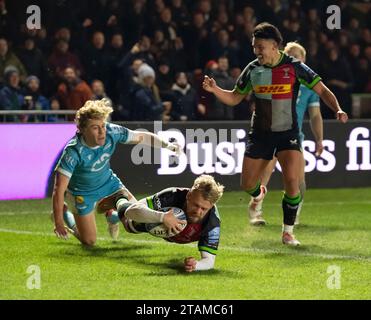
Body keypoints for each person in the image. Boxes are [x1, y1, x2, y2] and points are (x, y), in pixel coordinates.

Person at [203, 23, 348, 246]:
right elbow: (234, 98)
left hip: (287, 134)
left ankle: (288, 232)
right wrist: (215, 90)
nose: (256, 51)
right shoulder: (252, 69)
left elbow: (323, 90)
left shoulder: (295, 67)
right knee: (247, 184)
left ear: (274, 46)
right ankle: (259, 193)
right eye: (254, 47)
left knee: (292, 181)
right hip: (260, 134)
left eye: (260, 47)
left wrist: (337, 108)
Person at [52, 98, 181, 246]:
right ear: (82, 129)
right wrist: (58, 222)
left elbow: (142, 137)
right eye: (95, 127)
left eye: (103, 126)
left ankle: (113, 216)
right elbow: (58, 189)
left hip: (109, 184)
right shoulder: (73, 151)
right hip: (82, 193)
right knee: (89, 241)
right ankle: (66, 214)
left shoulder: (112, 131)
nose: (102, 132)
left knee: (137, 215)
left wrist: (169, 146)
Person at [248, 42, 324, 226]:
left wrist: (320, 139)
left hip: (293, 136)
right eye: (290, 54)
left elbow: (315, 115)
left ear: (304, 59)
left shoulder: (310, 86)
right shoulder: (274, 76)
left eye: (297, 55)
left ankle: (294, 214)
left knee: (298, 180)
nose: (293, 58)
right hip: (270, 132)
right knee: (265, 171)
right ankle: (255, 210)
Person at [98, 175, 224, 272]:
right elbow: (131, 211)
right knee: (130, 225)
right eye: (196, 205)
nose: (198, 211)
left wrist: (196, 265)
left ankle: (112, 216)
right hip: (157, 220)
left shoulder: (212, 221)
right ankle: (120, 198)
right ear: (189, 196)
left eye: (204, 209)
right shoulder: (172, 195)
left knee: (130, 221)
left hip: (177, 235)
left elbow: (209, 261)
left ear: (211, 206)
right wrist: (163, 217)